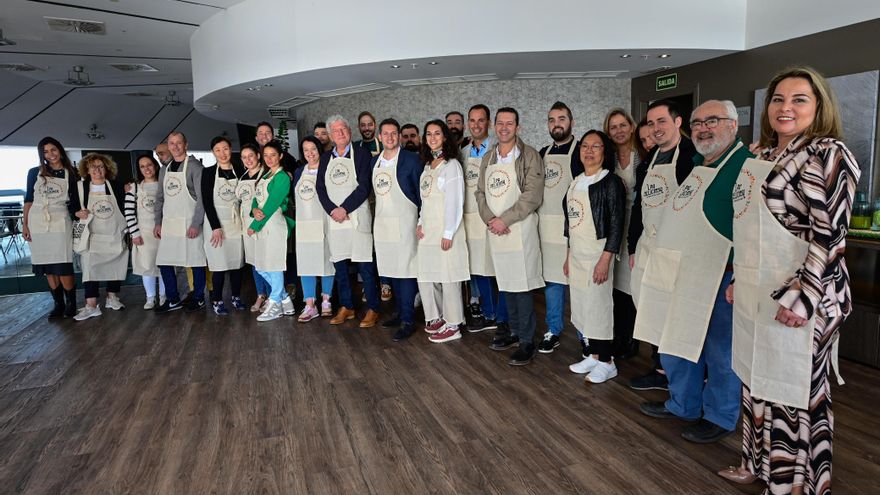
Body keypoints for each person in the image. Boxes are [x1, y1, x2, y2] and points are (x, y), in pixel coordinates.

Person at [718, 67, 861, 495]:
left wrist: (802, 297)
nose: (786, 108)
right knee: (756, 380)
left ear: (819, 106)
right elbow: (750, 227)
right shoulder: (763, 155)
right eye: (779, 99)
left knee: (794, 392)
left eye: (800, 99)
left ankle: (795, 483)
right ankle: (757, 465)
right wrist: (740, 279)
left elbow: (830, 236)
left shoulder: (827, 153)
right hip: (757, 290)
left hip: (804, 296)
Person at [636, 100, 752, 444]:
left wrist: (740, 275)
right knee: (677, 339)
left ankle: (720, 414)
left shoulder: (747, 167)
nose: (703, 128)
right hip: (682, 269)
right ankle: (682, 403)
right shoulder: (699, 164)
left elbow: (752, 230)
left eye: (712, 121)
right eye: (699, 122)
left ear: (733, 125)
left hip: (721, 274)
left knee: (720, 351)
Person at [627, 99, 697, 391]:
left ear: (678, 122)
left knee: (674, 315)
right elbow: (640, 207)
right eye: (651, 123)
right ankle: (659, 368)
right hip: (649, 245)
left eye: (662, 122)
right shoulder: (650, 160)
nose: (656, 129)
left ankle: (679, 379)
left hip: (677, 249)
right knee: (649, 307)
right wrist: (633, 246)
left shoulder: (692, 157)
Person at [475, 107, 545, 366]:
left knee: (522, 287)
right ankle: (514, 332)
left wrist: (505, 219)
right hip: (496, 231)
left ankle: (527, 341)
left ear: (518, 126)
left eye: (510, 123)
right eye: (500, 123)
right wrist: (490, 220)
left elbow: (532, 196)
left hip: (520, 230)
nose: (504, 128)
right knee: (505, 284)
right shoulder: (489, 158)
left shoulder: (529, 156)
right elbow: (480, 193)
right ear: (494, 126)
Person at [564, 131, 625, 383]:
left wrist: (605, 259)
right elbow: (570, 222)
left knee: (599, 308)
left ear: (604, 151)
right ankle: (593, 354)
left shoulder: (610, 182)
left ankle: (607, 362)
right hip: (577, 254)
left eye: (596, 146)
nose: (589, 151)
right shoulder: (575, 181)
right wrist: (568, 256)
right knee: (582, 306)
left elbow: (616, 224)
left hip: (597, 255)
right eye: (585, 146)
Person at [317, 115, 381, 328]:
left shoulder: (362, 154)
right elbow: (320, 188)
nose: (341, 133)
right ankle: (347, 307)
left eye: (343, 129)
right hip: (335, 220)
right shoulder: (325, 158)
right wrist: (333, 211)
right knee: (341, 268)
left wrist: (344, 208)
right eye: (336, 131)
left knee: (365, 266)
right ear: (331, 136)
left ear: (349, 131)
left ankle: (373, 308)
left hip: (356, 217)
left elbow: (364, 186)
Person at [536, 101, 584, 354]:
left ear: (571, 122)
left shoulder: (581, 153)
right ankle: (553, 329)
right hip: (546, 229)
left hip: (573, 229)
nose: (557, 124)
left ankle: (585, 335)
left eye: (562, 119)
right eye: (552, 120)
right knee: (552, 284)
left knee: (577, 285)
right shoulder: (542, 153)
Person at [417, 120, 469, 343]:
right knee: (427, 276)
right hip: (428, 230)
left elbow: (455, 202)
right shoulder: (429, 165)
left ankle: (453, 323)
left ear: (445, 137)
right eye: (428, 134)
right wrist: (420, 222)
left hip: (446, 231)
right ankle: (436, 317)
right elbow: (425, 200)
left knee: (449, 278)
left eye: (437, 133)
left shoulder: (452, 166)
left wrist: (448, 232)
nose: (432, 137)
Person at [371, 119, 422, 341]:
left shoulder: (412, 159)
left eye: (394, 133)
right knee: (390, 270)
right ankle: (400, 312)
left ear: (399, 136)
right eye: (386, 134)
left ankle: (408, 319)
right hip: (383, 223)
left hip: (405, 222)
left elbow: (421, 194)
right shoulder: (375, 162)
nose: (390, 137)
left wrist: (422, 220)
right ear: (380, 137)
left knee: (407, 272)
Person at [461, 104, 507, 334]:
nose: (476, 125)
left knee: (497, 269)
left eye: (481, 120)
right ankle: (489, 313)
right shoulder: (463, 152)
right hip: (470, 217)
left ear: (488, 123)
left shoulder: (499, 150)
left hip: (491, 216)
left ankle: (501, 316)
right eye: (472, 120)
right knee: (478, 268)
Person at [23, 137, 79, 318]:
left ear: (60, 150)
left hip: (60, 220)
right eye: (45, 152)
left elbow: (76, 202)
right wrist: (25, 224)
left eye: (53, 150)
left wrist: (78, 213)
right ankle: (58, 303)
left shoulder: (72, 173)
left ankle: (71, 302)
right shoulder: (34, 172)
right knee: (47, 265)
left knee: (63, 263)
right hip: (37, 221)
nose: (50, 154)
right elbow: (28, 200)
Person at [70, 153, 129, 320]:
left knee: (115, 265)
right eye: (93, 167)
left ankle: (112, 298)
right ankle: (92, 305)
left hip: (113, 234)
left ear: (107, 169)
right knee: (89, 269)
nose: (97, 170)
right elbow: (72, 208)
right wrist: (77, 212)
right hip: (91, 236)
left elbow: (125, 208)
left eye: (100, 166)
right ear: (87, 170)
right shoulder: (79, 187)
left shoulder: (117, 187)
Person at [153, 131, 208, 313]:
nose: (175, 146)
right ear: (168, 145)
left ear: (185, 145)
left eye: (178, 143)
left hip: (189, 224)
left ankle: (199, 297)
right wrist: (158, 222)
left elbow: (202, 199)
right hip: (169, 224)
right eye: (171, 143)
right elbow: (160, 198)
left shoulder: (194, 167)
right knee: (164, 262)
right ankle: (173, 299)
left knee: (195, 261)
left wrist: (195, 224)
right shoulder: (164, 170)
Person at [604, 108, 640, 359]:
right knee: (617, 286)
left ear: (631, 126)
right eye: (613, 127)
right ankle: (620, 337)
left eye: (622, 125)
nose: (618, 131)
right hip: (615, 227)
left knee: (634, 285)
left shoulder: (644, 154)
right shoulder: (609, 159)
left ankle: (634, 338)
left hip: (638, 227)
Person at [247, 140, 295, 321]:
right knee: (261, 266)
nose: (269, 158)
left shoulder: (282, 177)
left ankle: (275, 304)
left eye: (273, 155)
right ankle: (285, 299)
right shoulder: (264, 175)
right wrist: (253, 210)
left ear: (280, 156)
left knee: (274, 266)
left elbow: (271, 203)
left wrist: (254, 225)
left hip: (274, 224)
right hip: (262, 224)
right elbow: (255, 200)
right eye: (266, 155)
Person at [202, 136, 246, 315]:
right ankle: (217, 300)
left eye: (226, 148)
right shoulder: (208, 172)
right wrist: (215, 227)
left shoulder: (241, 170)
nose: (223, 153)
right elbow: (207, 202)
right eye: (218, 150)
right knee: (219, 264)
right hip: (216, 223)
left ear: (231, 149)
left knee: (237, 263)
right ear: (213, 152)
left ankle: (236, 297)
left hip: (236, 223)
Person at [294, 136, 335, 322]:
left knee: (327, 262)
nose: (310, 153)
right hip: (304, 225)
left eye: (313, 149)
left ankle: (326, 300)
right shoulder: (298, 173)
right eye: (306, 150)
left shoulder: (328, 171)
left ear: (320, 150)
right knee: (306, 265)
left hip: (325, 223)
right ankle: (310, 305)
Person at [125, 154, 165, 309]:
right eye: (142, 166)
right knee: (146, 266)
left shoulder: (163, 185)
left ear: (155, 166)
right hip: (144, 233)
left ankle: (163, 295)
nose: (147, 168)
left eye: (149, 165)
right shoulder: (133, 188)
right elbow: (129, 212)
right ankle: (150, 297)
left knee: (164, 266)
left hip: (164, 232)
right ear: (139, 170)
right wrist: (134, 234)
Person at [234, 143, 271, 312]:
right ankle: (260, 295)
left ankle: (273, 296)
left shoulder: (267, 175)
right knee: (254, 262)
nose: (248, 159)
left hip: (262, 223)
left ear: (258, 156)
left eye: (251, 156)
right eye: (244, 157)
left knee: (267, 260)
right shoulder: (242, 177)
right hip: (246, 226)